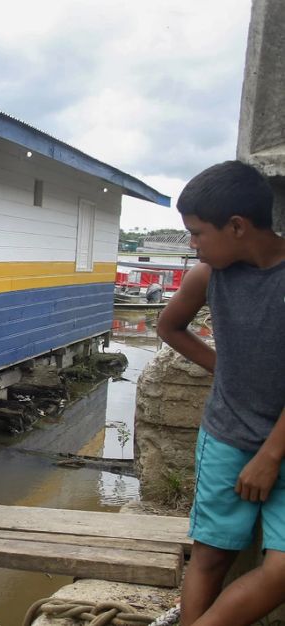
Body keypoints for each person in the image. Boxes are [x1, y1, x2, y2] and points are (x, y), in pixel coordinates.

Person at [157, 160, 285, 626]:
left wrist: (270, 456)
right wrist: (224, 367)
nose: (191, 246)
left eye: (196, 233)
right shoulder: (210, 275)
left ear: (236, 226)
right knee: (211, 554)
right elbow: (169, 327)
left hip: (279, 445)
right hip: (227, 435)